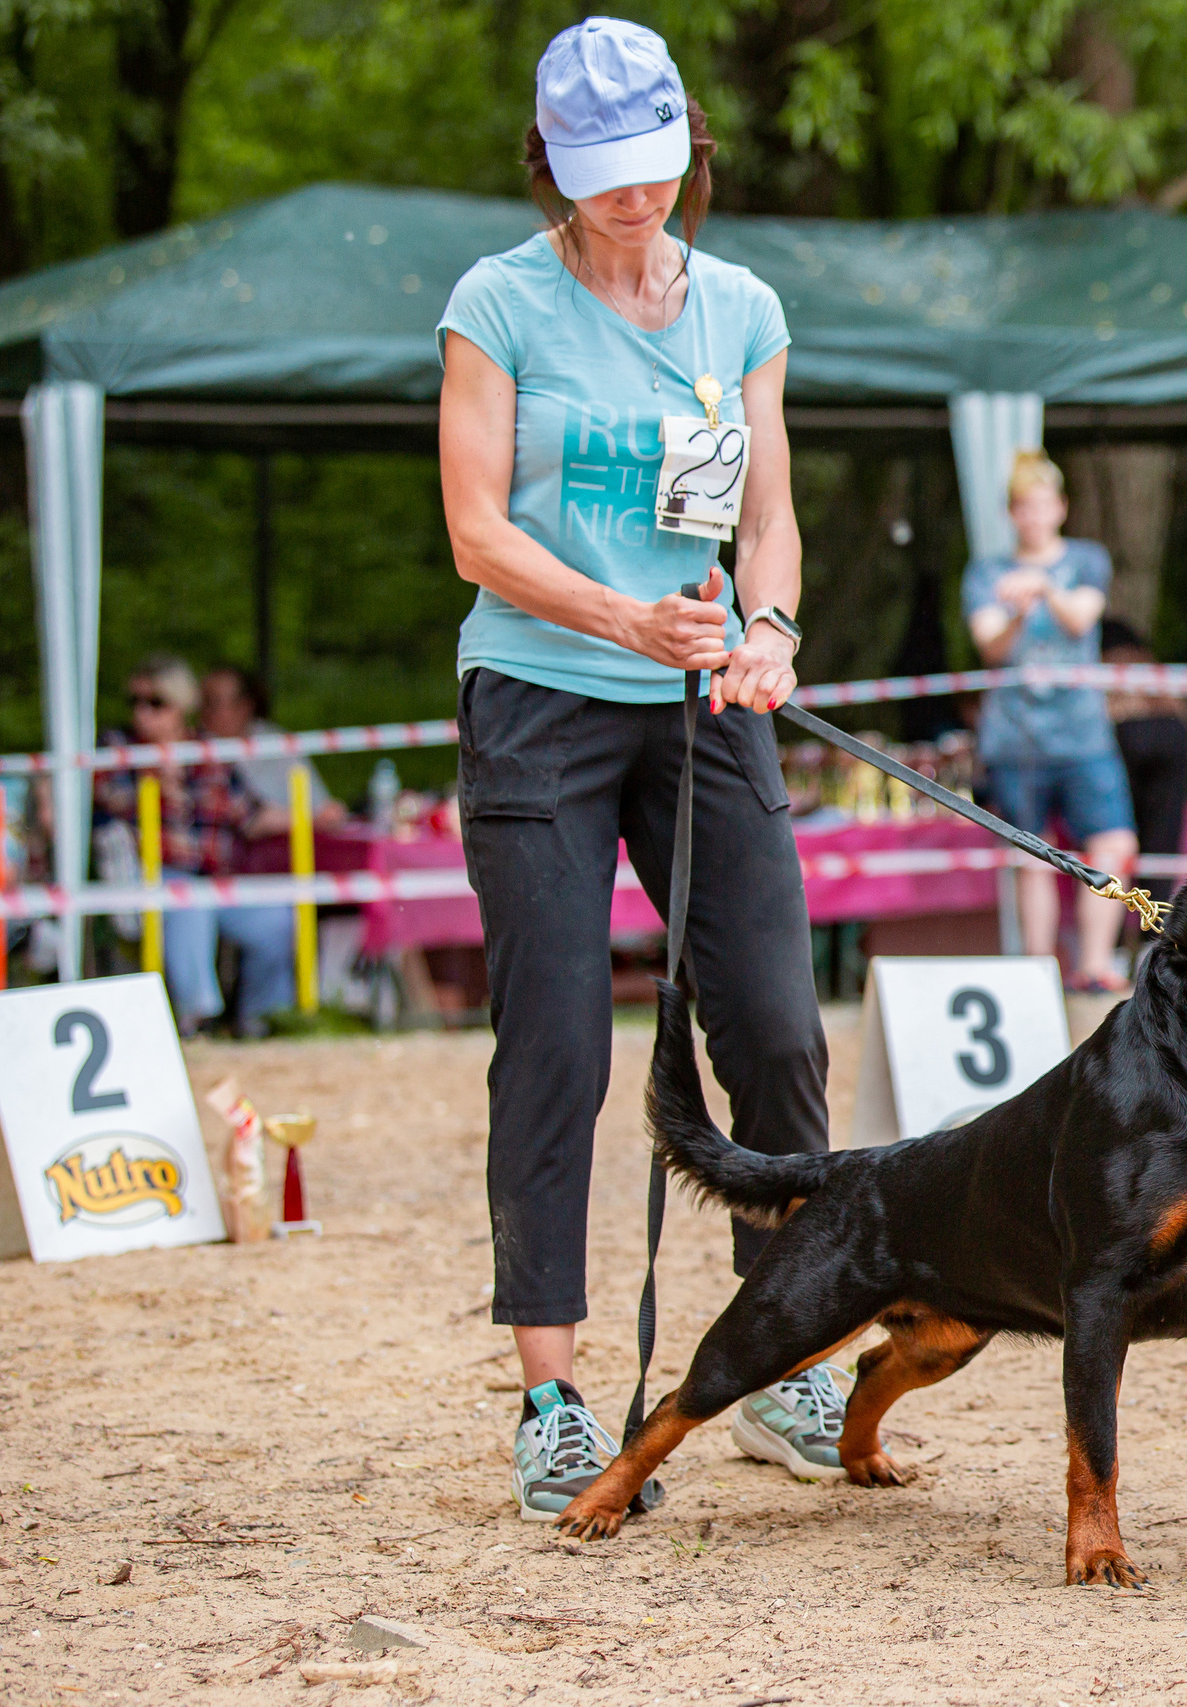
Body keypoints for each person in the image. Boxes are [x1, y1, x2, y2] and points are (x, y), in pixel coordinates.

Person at [437, 17, 847, 1522]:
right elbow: (477, 530)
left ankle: (786, 1352)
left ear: (691, 151)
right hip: (542, 690)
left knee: (780, 1025)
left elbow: (771, 518)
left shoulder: (739, 305)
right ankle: (552, 1391)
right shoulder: (498, 303)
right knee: (558, 1037)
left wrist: (773, 626)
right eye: (606, 174)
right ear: (553, 165)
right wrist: (618, 611)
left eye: (658, 168)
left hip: (703, 705)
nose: (637, 196)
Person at [965, 451, 1140, 991]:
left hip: (1084, 735)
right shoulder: (986, 571)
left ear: (1060, 508)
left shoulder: (1087, 559)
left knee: (1113, 844)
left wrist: (1041, 588)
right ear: (1012, 513)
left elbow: (1082, 617)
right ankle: (1038, 970)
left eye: (1043, 504)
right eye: (1024, 506)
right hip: (1016, 739)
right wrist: (1018, 610)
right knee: (1032, 855)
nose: (1034, 515)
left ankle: (1096, 963)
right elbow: (990, 646)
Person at [95, 655, 296, 1035]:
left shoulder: (208, 751)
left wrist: (314, 816)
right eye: (134, 702)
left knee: (276, 920)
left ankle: (265, 1022)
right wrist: (149, 781)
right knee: (190, 898)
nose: (142, 713)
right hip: (148, 881)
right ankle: (198, 1020)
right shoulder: (118, 748)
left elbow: (248, 814)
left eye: (155, 702)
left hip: (215, 878)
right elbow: (105, 798)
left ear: (181, 705)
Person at [1098, 616, 1187, 905]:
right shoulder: (1156, 675)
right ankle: (1156, 924)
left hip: (1120, 733)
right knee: (1162, 842)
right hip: (1172, 731)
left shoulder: (1095, 669)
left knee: (1112, 836)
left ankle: (1115, 936)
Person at [198, 665, 349, 837]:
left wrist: (324, 816)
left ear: (245, 705)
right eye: (203, 702)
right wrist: (311, 819)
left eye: (214, 702)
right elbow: (251, 819)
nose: (204, 711)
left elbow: (320, 804)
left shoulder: (275, 740)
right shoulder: (196, 749)